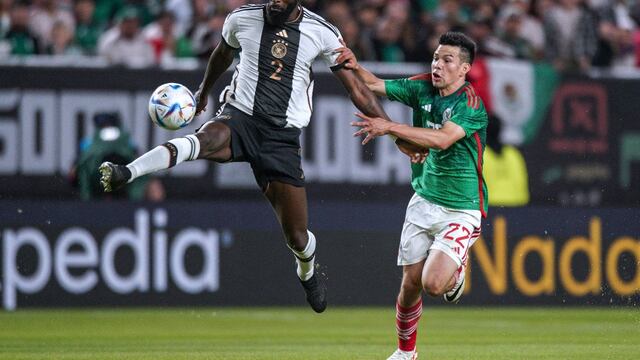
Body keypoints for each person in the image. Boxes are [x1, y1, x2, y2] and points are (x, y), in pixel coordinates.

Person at [98, 0, 421, 313]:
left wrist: (393, 131)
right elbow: (223, 53)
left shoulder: (322, 31)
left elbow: (358, 89)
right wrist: (203, 91)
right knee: (204, 140)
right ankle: (127, 171)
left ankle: (307, 272)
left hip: (281, 140)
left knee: (297, 235)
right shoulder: (242, 18)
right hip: (240, 117)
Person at [336, 31, 488, 359]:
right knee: (409, 285)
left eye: (447, 60)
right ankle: (406, 353)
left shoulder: (471, 105)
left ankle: (457, 269)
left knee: (434, 284)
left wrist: (390, 128)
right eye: (436, 57)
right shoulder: (421, 86)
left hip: (461, 208)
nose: (437, 64)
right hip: (423, 201)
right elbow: (376, 85)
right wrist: (355, 66)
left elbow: (443, 139)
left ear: (464, 69)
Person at [483, 114, 529, 207]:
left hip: (489, 205)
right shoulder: (513, 153)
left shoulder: (480, 154)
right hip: (515, 205)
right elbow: (521, 182)